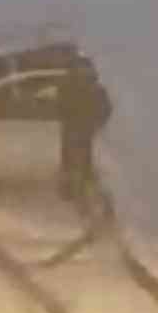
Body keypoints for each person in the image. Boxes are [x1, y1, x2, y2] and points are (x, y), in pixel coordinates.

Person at [55, 61, 113, 218]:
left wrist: (96, 122)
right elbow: (106, 107)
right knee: (80, 164)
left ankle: (77, 196)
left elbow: (106, 107)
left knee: (79, 164)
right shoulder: (91, 85)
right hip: (80, 129)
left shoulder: (71, 83)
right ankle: (77, 196)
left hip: (80, 129)